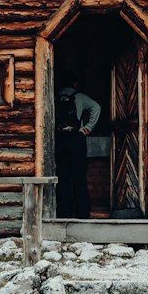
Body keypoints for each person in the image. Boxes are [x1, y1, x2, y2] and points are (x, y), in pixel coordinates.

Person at [55, 73, 101, 219]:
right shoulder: (80, 97)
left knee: (62, 177)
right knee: (79, 177)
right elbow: (96, 107)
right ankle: (82, 213)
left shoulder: (54, 96)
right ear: (74, 83)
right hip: (76, 139)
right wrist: (88, 128)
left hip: (60, 140)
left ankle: (64, 212)